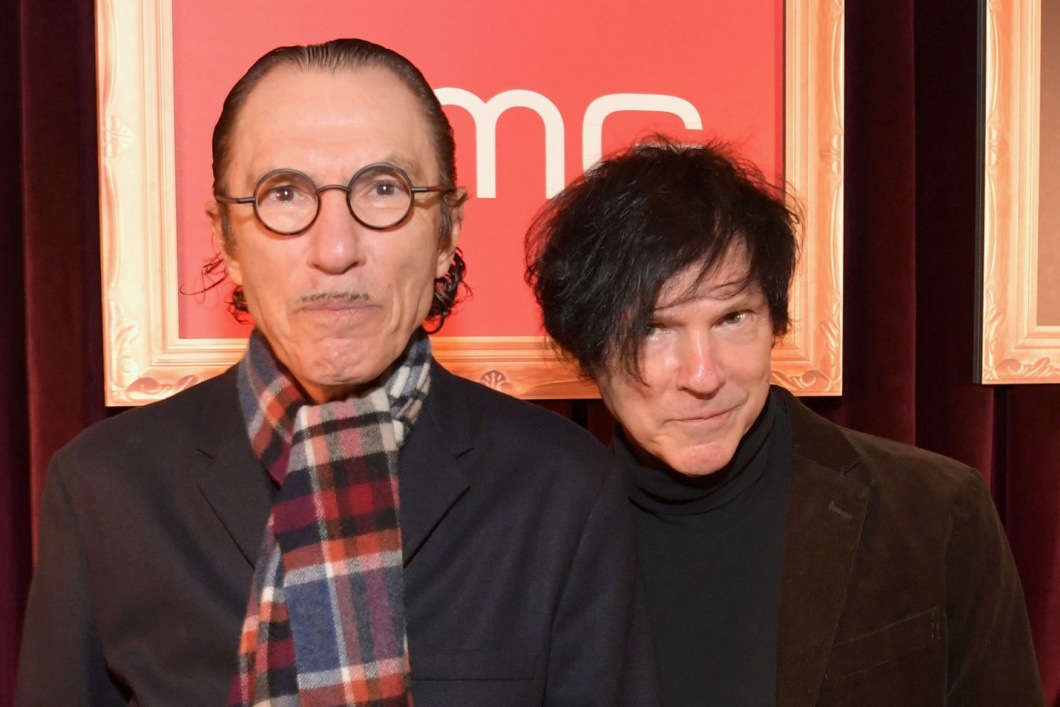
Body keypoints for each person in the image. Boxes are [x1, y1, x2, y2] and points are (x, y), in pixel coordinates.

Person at [17, 39, 657, 706]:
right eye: (284, 193)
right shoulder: (104, 491)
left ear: (446, 232)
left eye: (383, 189)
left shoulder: (561, 489)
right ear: (227, 240)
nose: (336, 248)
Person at [526, 137, 1045, 706]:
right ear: (587, 350)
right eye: (653, 328)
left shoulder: (935, 510)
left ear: (775, 320)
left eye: (733, 318)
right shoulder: (537, 543)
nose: (703, 374)